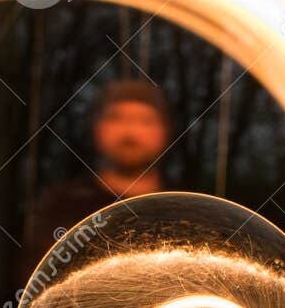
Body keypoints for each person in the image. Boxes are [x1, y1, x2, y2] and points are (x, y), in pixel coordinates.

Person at [19, 79, 172, 279]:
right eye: (116, 118)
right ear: (97, 127)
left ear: (164, 131)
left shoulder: (185, 210)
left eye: (145, 120)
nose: (130, 131)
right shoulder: (61, 207)